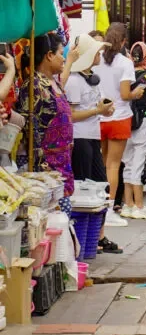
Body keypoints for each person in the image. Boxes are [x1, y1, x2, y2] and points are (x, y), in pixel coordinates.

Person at [64, 32, 122, 254]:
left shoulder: (92, 78)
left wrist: (104, 109)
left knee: (100, 188)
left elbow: (96, 108)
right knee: (84, 189)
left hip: (93, 136)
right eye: (96, 51)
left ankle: (98, 235)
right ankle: (83, 239)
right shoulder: (75, 81)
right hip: (80, 138)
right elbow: (71, 115)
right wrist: (98, 110)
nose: (100, 55)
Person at [93, 22, 145, 228]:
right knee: (113, 165)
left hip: (98, 117)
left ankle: (97, 206)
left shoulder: (96, 60)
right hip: (119, 117)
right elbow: (124, 95)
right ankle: (109, 207)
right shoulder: (124, 62)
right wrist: (137, 93)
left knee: (102, 163)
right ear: (124, 41)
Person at [17, 34, 76, 215]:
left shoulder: (55, 83)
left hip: (62, 162)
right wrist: (38, 172)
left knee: (63, 215)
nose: (64, 57)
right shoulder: (34, 86)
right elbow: (29, 130)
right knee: (57, 213)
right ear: (49, 55)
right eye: (60, 53)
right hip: (44, 166)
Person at [120, 42, 146, 221]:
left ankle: (127, 204)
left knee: (127, 162)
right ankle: (139, 206)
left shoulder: (126, 75)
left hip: (127, 120)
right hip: (145, 122)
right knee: (140, 162)